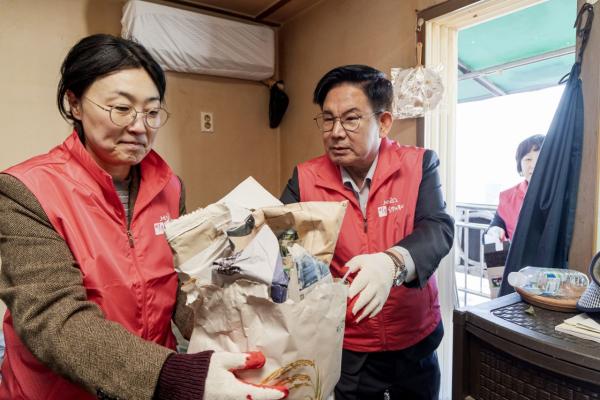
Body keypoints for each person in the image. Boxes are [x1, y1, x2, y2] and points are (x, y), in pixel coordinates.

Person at [0, 34, 287, 400]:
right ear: (74, 103)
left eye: (152, 112)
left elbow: (183, 289)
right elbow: (54, 320)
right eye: (121, 108)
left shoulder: (169, 188)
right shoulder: (26, 190)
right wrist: (171, 373)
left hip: (152, 381)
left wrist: (243, 321)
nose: (140, 126)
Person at [280, 65, 454, 400]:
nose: (336, 132)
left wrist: (393, 263)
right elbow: (280, 239)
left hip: (414, 342)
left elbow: (438, 227)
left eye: (351, 118)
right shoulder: (304, 179)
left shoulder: (419, 165)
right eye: (327, 119)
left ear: (384, 122)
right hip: (349, 346)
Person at [487, 134, 545, 241]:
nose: (534, 165)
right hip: (519, 257)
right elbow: (496, 226)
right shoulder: (507, 197)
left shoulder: (563, 195)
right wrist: (494, 232)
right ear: (520, 165)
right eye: (528, 159)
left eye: (541, 158)